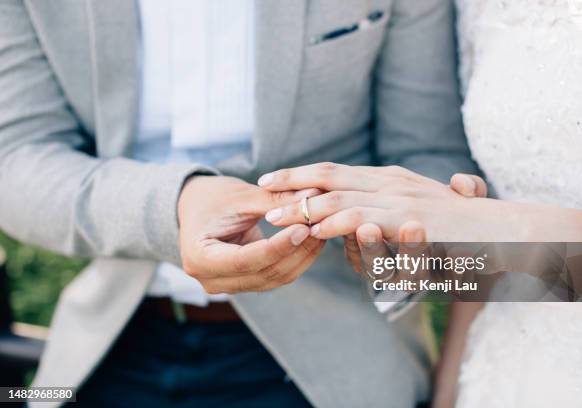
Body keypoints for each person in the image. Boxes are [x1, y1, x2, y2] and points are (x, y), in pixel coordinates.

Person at [0, 0, 482, 406]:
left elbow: (429, 154)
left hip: (334, 361)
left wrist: (402, 241)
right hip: (108, 343)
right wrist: (175, 207)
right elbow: (17, 159)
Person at [256, 0, 582, 406]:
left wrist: (496, 229)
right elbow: (491, 242)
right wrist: (449, 387)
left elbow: (493, 228)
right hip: (508, 371)